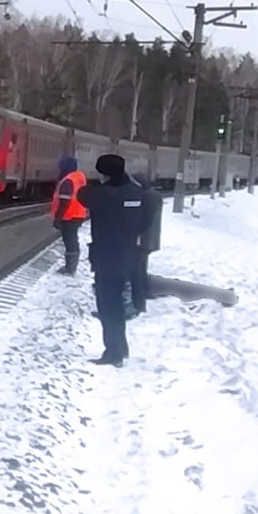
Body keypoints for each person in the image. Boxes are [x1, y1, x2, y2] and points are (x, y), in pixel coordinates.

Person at [76, 154, 146, 367]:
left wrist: (99, 184)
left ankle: (114, 352)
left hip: (107, 258)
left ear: (103, 173)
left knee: (109, 306)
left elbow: (82, 195)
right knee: (117, 303)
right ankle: (120, 348)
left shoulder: (101, 195)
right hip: (131, 256)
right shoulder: (138, 194)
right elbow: (147, 219)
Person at [125, 173, 164, 315]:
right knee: (140, 270)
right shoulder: (153, 195)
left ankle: (137, 304)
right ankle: (141, 299)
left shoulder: (147, 197)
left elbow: (142, 221)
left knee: (136, 273)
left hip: (141, 241)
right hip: (148, 240)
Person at [51, 155, 88, 275]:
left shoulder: (68, 181)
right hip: (78, 213)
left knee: (69, 241)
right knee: (72, 240)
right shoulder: (79, 177)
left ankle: (70, 268)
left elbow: (64, 202)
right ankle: (71, 266)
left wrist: (57, 218)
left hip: (69, 215)